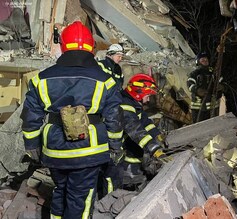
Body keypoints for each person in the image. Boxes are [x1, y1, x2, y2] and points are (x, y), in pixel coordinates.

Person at [20, 21, 125, 219]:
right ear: (91, 48)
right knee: (81, 199)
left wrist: (32, 145)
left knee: (60, 190)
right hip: (89, 151)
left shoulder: (40, 79)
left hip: (55, 150)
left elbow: (30, 116)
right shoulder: (105, 80)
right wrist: (116, 146)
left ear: (63, 46)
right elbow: (114, 118)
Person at [99, 74, 172, 196]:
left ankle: (133, 186)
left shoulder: (133, 103)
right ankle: (109, 201)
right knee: (113, 178)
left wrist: (158, 136)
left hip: (121, 146)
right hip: (111, 149)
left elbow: (145, 122)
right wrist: (155, 149)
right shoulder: (124, 106)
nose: (148, 100)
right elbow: (136, 130)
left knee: (134, 162)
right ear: (138, 93)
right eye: (147, 96)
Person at [187, 52, 221, 123]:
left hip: (212, 106)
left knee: (213, 126)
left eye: (206, 60)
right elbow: (190, 85)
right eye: (202, 60)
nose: (205, 61)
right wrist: (198, 90)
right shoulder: (195, 74)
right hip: (198, 108)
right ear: (198, 62)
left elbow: (222, 81)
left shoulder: (214, 73)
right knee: (199, 127)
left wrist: (222, 86)